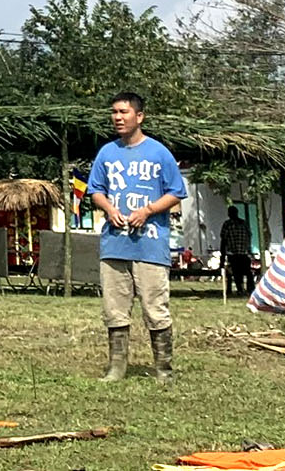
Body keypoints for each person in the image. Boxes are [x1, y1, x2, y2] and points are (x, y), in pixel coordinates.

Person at [89, 90, 186, 385]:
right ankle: (117, 367)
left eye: (124, 112)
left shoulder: (159, 153)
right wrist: (108, 209)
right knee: (114, 308)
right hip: (114, 243)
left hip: (150, 244)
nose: (118, 117)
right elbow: (95, 190)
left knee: (155, 307)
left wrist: (149, 210)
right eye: (114, 112)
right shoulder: (106, 153)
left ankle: (164, 369)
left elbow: (176, 191)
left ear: (139, 116)